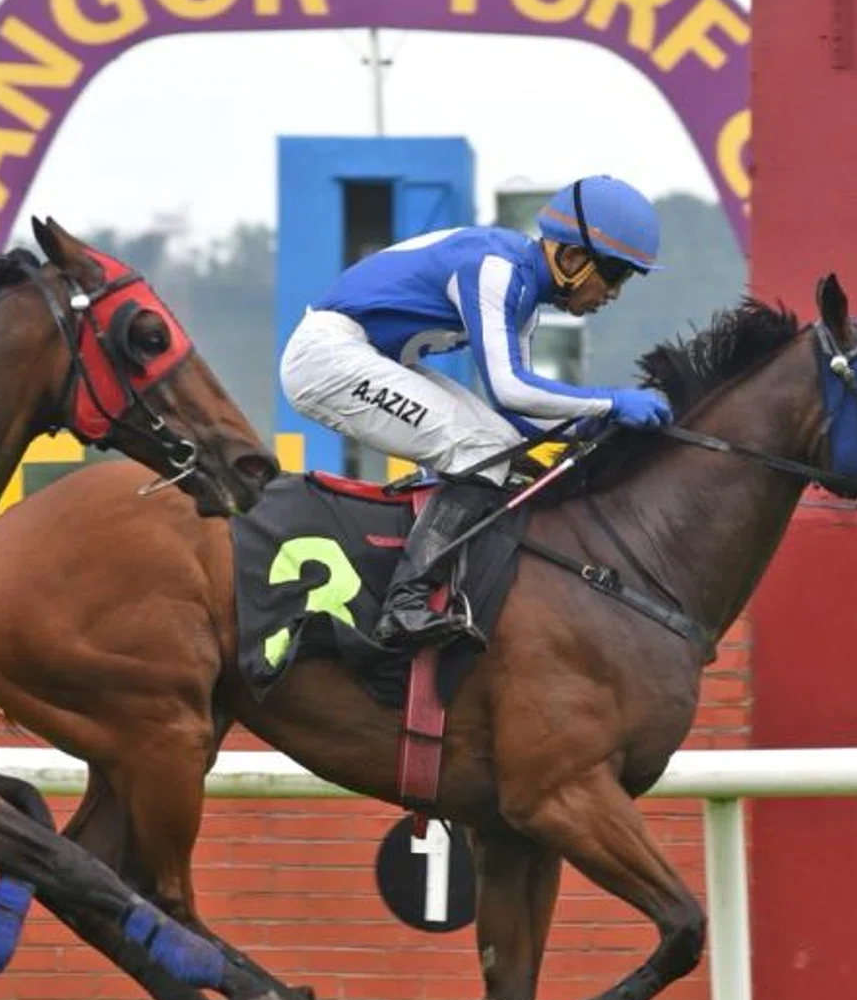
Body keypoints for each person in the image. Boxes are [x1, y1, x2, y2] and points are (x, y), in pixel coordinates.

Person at [279, 175, 673, 649]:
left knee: (501, 448)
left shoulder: (522, 295)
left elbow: (526, 420)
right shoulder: (498, 270)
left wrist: (600, 431)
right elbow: (511, 391)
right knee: (480, 446)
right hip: (326, 358)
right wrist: (610, 402)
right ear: (572, 258)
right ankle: (405, 603)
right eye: (615, 275)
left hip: (369, 356)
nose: (614, 293)